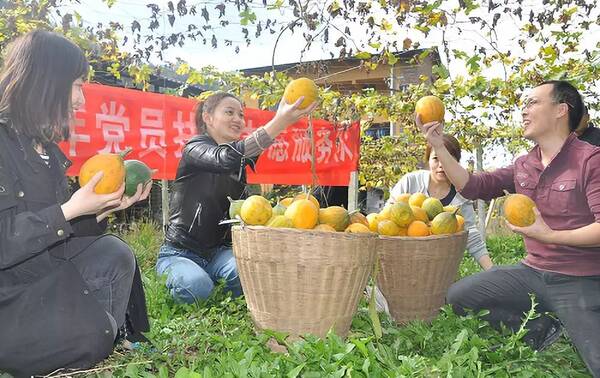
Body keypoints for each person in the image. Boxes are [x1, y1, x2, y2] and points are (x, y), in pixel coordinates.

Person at [418, 80, 600, 377]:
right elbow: (472, 185)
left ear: (560, 110)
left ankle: (573, 316)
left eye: (532, 103)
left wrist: (551, 236)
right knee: (460, 297)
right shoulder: (523, 164)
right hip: (532, 273)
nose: (524, 111)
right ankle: (540, 327)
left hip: (579, 280)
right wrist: (438, 144)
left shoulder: (591, 160)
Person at [0, 30, 152, 377]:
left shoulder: (47, 154)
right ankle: (92, 334)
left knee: (113, 252)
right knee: (92, 334)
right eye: (77, 85)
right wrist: (69, 209)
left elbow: (60, 233)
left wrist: (101, 208)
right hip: (8, 295)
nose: (81, 101)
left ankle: (99, 333)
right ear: (46, 82)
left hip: (39, 276)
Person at [157, 92, 317, 303]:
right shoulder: (195, 149)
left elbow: (251, 147)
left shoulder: (240, 161)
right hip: (180, 252)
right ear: (207, 117)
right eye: (229, 112)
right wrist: (280, 120)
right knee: (196, 287)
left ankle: (216, 281)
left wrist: (285, 116)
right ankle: (191, 278)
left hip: (219, 253)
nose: (238, 120)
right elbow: (223, 159)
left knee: (254, 275)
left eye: (241, 115)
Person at [388, 134, 493, 270]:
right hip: (403, 261)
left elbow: (470, 234)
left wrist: (491, 269)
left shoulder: (462, 192)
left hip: (440, 268)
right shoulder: (410, 182)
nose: (441, 165)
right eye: (436, 159)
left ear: (456, 162)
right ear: (428, 160)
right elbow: (387, 214)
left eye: (447, 159)